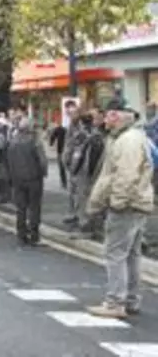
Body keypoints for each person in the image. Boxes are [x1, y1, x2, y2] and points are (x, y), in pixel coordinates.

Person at [86, 98, 155, 319]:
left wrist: (116, 203)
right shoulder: (132, 137)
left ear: (116, 115)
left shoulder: (128, 140)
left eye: (106, 114)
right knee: (132, 255)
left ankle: (115, 302)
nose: (103, 119)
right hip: (137, 203)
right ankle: (131, 300)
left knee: (115, 253)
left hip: (126, 205)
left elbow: (125, 176)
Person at [6, 116, 48, 246]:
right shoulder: (35, 141)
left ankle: (21, 235)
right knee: (34, 208)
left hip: (18, 179)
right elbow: (42, 161)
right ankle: (34, 235)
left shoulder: (13, 142)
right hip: (34, 179)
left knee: (21, 208)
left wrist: (12, 177)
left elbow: (9, 162)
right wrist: (43, 173)